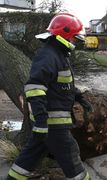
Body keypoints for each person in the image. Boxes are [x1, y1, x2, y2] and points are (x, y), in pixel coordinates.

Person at [7, 13, 93, 180]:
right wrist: (40, 121)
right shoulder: (48, 55)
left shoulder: (58, 54)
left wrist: (79, 96)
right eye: (75, 39)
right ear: (65, 35)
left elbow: (60, 85)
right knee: (72, 158)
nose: (75, 42)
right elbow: (34, 88)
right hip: (52, 125)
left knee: (28, 158)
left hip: (47, 126)